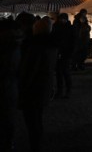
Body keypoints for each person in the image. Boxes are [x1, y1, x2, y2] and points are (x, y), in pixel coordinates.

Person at [18, 16, 58, 152]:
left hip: (32, 89)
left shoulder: (35, 47)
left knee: (32, 120)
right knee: (37, 118)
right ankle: (37, 143)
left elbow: (29, 70)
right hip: (43, 87)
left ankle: (35, 146)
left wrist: (22, 88)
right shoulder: (52, 46)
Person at [0, 18, 23, 152]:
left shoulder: (7, 47)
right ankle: (9, 142)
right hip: (11, 87)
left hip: (6, 85)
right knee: (8, 117)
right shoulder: (17, 44)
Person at [51, 12, 74, 98]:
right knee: (59, 73)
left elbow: (73, 42)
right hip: (59, 52)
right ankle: (60, 90)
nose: (61, 20)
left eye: (63, 19)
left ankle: (67, 90)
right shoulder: (57, 27)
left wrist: (71, 52)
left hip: (66, 53)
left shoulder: (69, 28)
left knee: (65, 72)